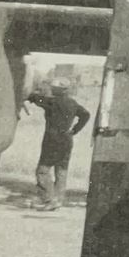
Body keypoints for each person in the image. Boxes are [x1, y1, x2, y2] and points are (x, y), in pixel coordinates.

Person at [26, 78, 90, 212]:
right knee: (61, 170)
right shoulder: (73, 103)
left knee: (42, 170)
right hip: (67, 139)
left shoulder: (51, 102)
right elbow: (86, 114)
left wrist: (29, 93)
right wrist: (75, 130)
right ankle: (58, 200)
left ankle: (50, 199)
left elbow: (34, 97)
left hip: (52, 139)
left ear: (56, 90)